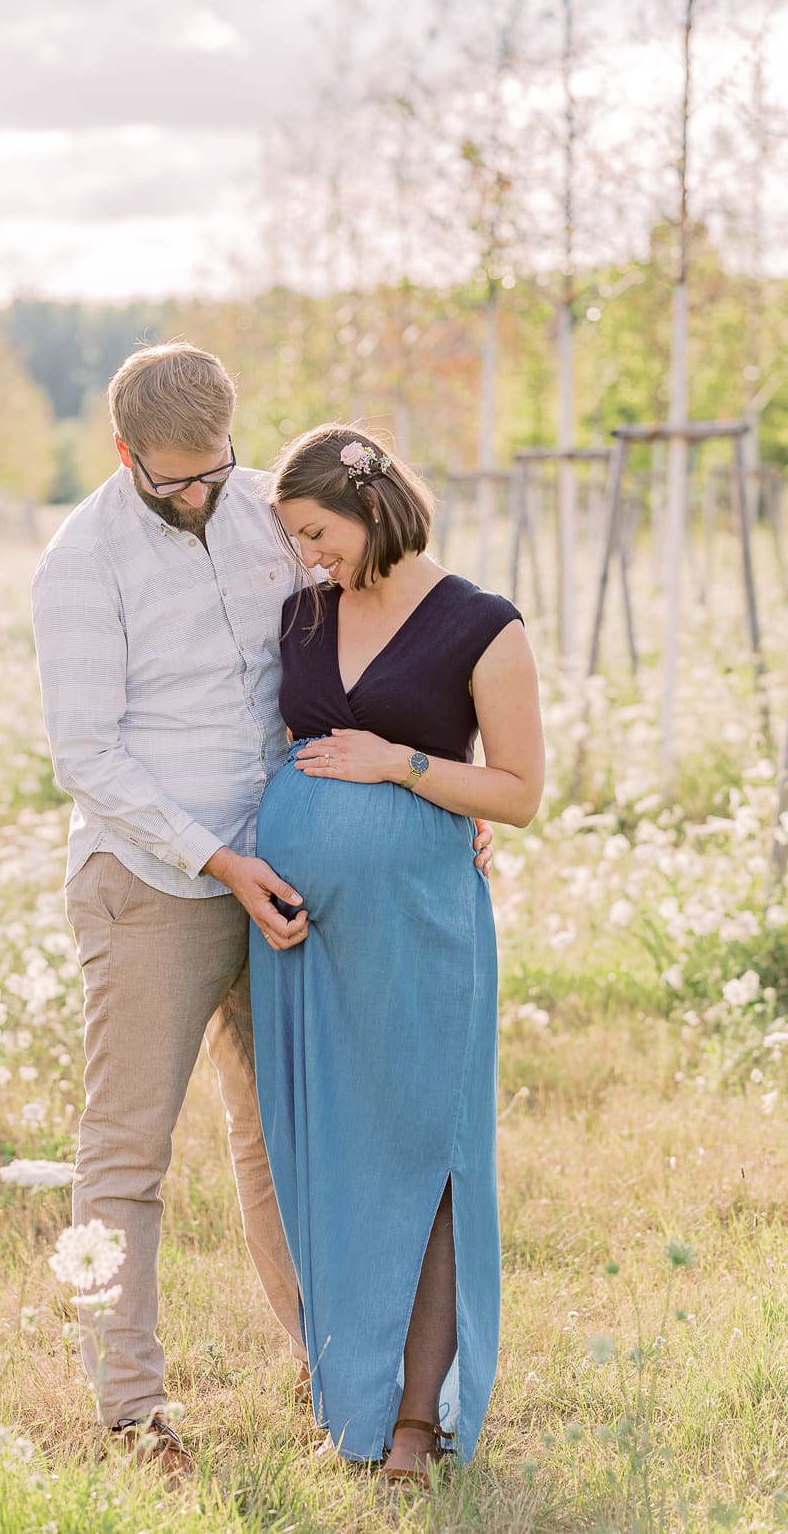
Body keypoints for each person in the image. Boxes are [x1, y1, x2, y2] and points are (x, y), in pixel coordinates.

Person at [30, 346, 493, 1477]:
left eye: (213, 473)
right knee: (127, 1151)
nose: (199, 497)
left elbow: (360, 642)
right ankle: (131, 1408)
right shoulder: (80, 565)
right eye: (172, 481)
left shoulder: (263, 512)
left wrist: (441, 785)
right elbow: (87, 754)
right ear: (125, 452)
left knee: (283, 1137)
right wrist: (217, 862)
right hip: (158, 881)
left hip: (290, 871)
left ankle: (328, 1367)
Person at [249, 424, 545, 1487]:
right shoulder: (302, 613)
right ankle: (349, 1393)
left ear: (371, 509)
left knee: (426, 1150)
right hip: (299, 944)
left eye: (319, 533)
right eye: (295, 540)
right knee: (326, 1154)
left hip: (420, 928)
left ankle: (416, 1418)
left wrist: (402, 766)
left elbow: (517, 792)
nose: (308, 555)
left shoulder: (482, 624)